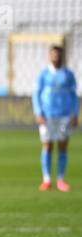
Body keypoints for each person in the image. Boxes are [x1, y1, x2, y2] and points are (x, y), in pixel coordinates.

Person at [32, 45, 79, 192]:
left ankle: (60, 179)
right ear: (50, 56)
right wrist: (38, 112)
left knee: (63, 146)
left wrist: (75, 113)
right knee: (47, 145)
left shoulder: (68, 74)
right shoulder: (43, 74)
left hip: (64, 115)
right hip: (47, 115)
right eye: (53, 54)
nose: (55, 57)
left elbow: (74, 96)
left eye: (58, 54)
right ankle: (46, 179)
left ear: (61, 56)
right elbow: (36, 94)